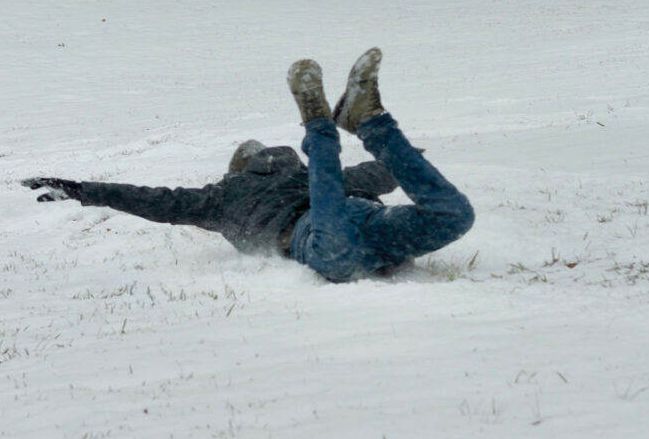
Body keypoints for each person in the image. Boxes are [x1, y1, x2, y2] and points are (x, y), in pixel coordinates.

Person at [24, 48, 474, 281]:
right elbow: (381, 174)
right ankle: (341, 123)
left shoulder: (220, 201)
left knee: (451, 215)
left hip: (354, 229)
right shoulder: (230, 196)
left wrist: (82, 190)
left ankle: (340, 121)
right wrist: (410, 162)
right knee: (447, 215)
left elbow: (157, 201)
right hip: (323, 231)